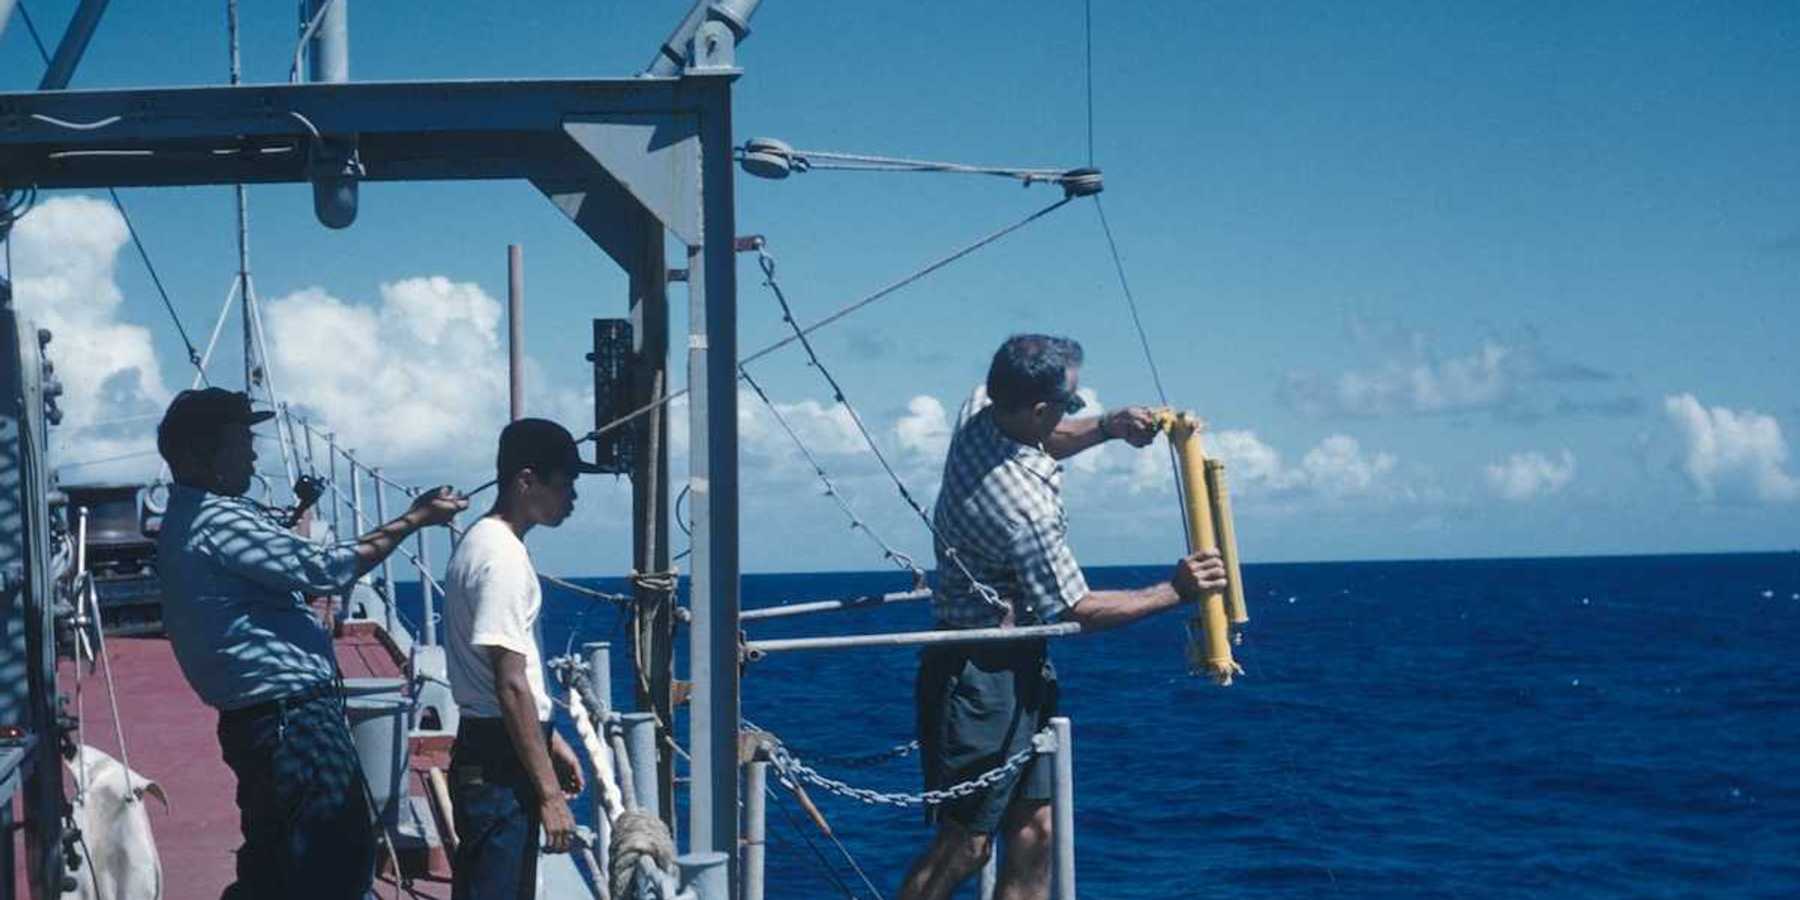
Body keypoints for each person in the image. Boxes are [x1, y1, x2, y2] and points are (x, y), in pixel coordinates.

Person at [897, 335, 1228, 900]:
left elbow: (1044, 436)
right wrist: (1176, 590)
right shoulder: (1022, 508)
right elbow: (1076, 609)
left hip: (1014, 662)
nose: (1076, 411)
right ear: (1038, 408)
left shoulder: (981, 407)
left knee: (1035, 831)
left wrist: (1107, 427)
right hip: (980, 678)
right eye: (1069, 404)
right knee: (966, 845)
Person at [154, 387, 467, 900]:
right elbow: (325, 569)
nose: (253, 456)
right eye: (240, 444)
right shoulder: (216, 520)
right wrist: (415, 518)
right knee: (335, 864)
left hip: (264, 722)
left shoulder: (192, 518)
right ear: (197, 456)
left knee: (275, 870)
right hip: (292, 722)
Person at [443, 418, 597, 899]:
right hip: (499, 765)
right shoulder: (503, 560)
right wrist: (550, 796)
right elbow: (509, 683)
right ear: (526, 480)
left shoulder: (480, 540)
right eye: (565, 483)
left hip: (490, 748)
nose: (573, 497)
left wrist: (550, 740)